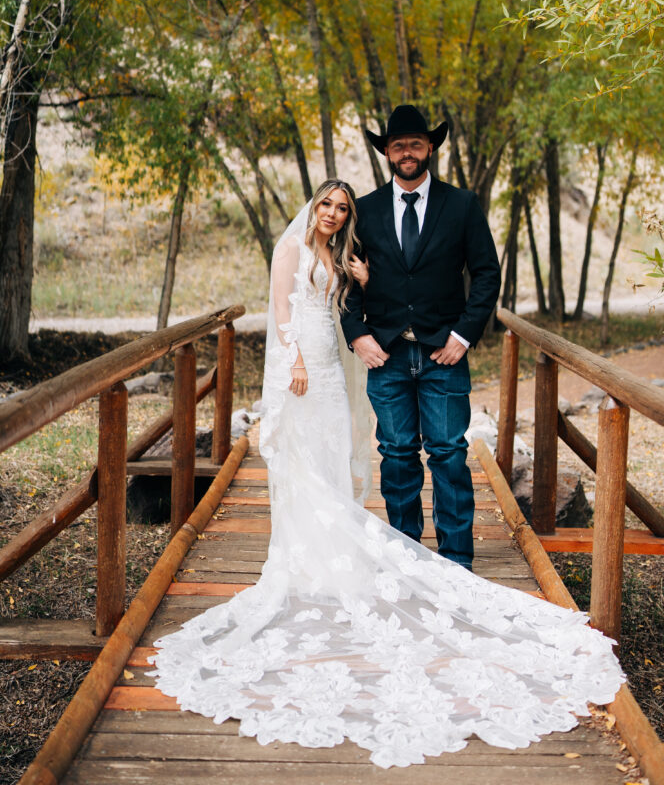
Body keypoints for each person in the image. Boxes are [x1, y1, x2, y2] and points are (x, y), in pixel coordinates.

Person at [150, 177, 623, 770]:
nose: (333, 213)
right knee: (337, 462)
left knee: (409, 455)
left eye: (341, 207)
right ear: (314, 205)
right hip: (304, 367)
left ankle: (447, 555)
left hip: (340, 367)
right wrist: (297, 357)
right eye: (326, 203)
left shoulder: (357, 246)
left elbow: (375, 295)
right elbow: (281, 309)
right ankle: (305, 556)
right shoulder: (294, 247)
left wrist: (378, 293)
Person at [341, 104, 501, 571]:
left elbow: (487, 274)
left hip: (443, 353)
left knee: (450, 455)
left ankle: (456, 562)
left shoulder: (462, 205)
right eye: (397, 145)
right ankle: (406, 559)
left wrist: (464, 335)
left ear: (430, 147)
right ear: (386, 153)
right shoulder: (364, 210)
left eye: (415, 143)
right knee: (395, 456)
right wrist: (358, 335)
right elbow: (345, 277)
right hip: (385, 354)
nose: (406, 152)